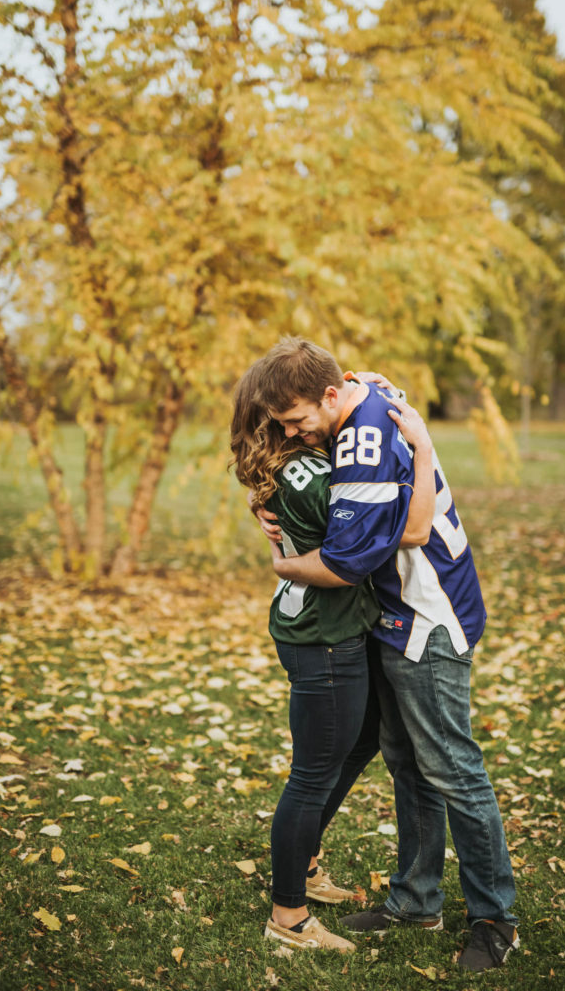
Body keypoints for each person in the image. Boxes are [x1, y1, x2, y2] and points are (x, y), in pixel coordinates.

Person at [254, 337, 519, 974]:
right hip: (396, 614)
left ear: (330, 395)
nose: (291, 433)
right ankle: (416, 901)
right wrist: (275, 508)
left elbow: (378, 545)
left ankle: (495, 920)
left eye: (296, 420)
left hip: (428, 615)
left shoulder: (362, 439)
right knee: (408, 762)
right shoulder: (361, 393)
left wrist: (284, 561)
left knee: (454, 768)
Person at [230, 359, 435, 954]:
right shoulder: (316, 478)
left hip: (327, 626)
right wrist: (421, 453)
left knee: (360, 739)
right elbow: (408, 531)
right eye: (285, 421)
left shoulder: (295, 467)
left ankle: (306, 862)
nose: (295, 428)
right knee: (312, 773)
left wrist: (370, 387)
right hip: (323, 636)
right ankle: (289, 916)